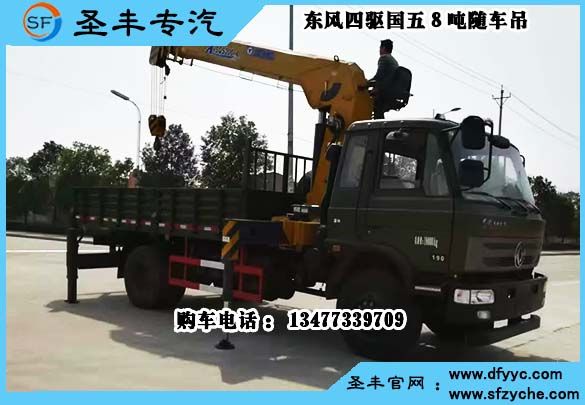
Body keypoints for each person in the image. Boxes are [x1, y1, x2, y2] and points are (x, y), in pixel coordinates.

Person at [368, 39, 399, 119]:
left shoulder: (384, 58)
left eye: (380, 48)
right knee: (378, 109)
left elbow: (378, 76)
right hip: (391, 90)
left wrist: (365, 83)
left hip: (384, 90)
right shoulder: (394, 61)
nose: (379, 50)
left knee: (362, 96)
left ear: (383, 48)